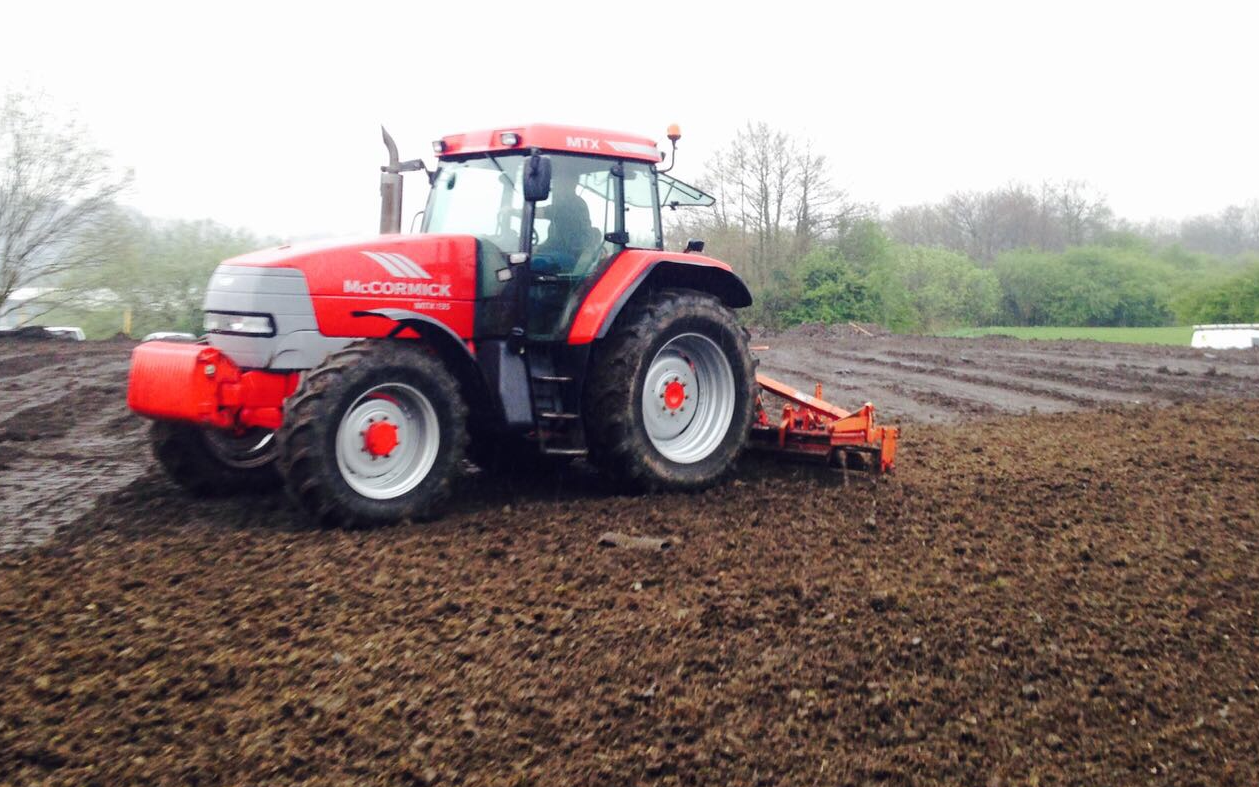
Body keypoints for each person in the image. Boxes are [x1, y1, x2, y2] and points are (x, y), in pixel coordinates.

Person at [533, 166, 595, 274]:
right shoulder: (563, 209)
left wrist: (515, 212)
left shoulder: (573, 203)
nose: (555, 185)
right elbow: (554, 240)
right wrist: (538, 248)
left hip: (572, 254)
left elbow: (546, 212)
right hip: (560, 251)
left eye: (559, 181)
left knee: (534, 263)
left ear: (572, 183)